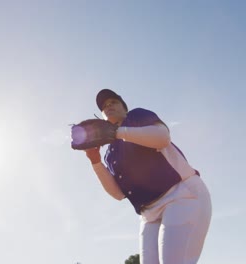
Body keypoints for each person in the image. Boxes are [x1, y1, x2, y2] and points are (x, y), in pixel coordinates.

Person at [84, 89, 212, 264]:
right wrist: (95, 161)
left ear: (124, 107)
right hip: (148, 214)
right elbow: (118, 194)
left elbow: (162, 137)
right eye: (104, 106)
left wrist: (117, 132)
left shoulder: (136, 117)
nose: (108, 106)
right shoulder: (110, 153)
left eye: (113, 102)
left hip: (180, 195)